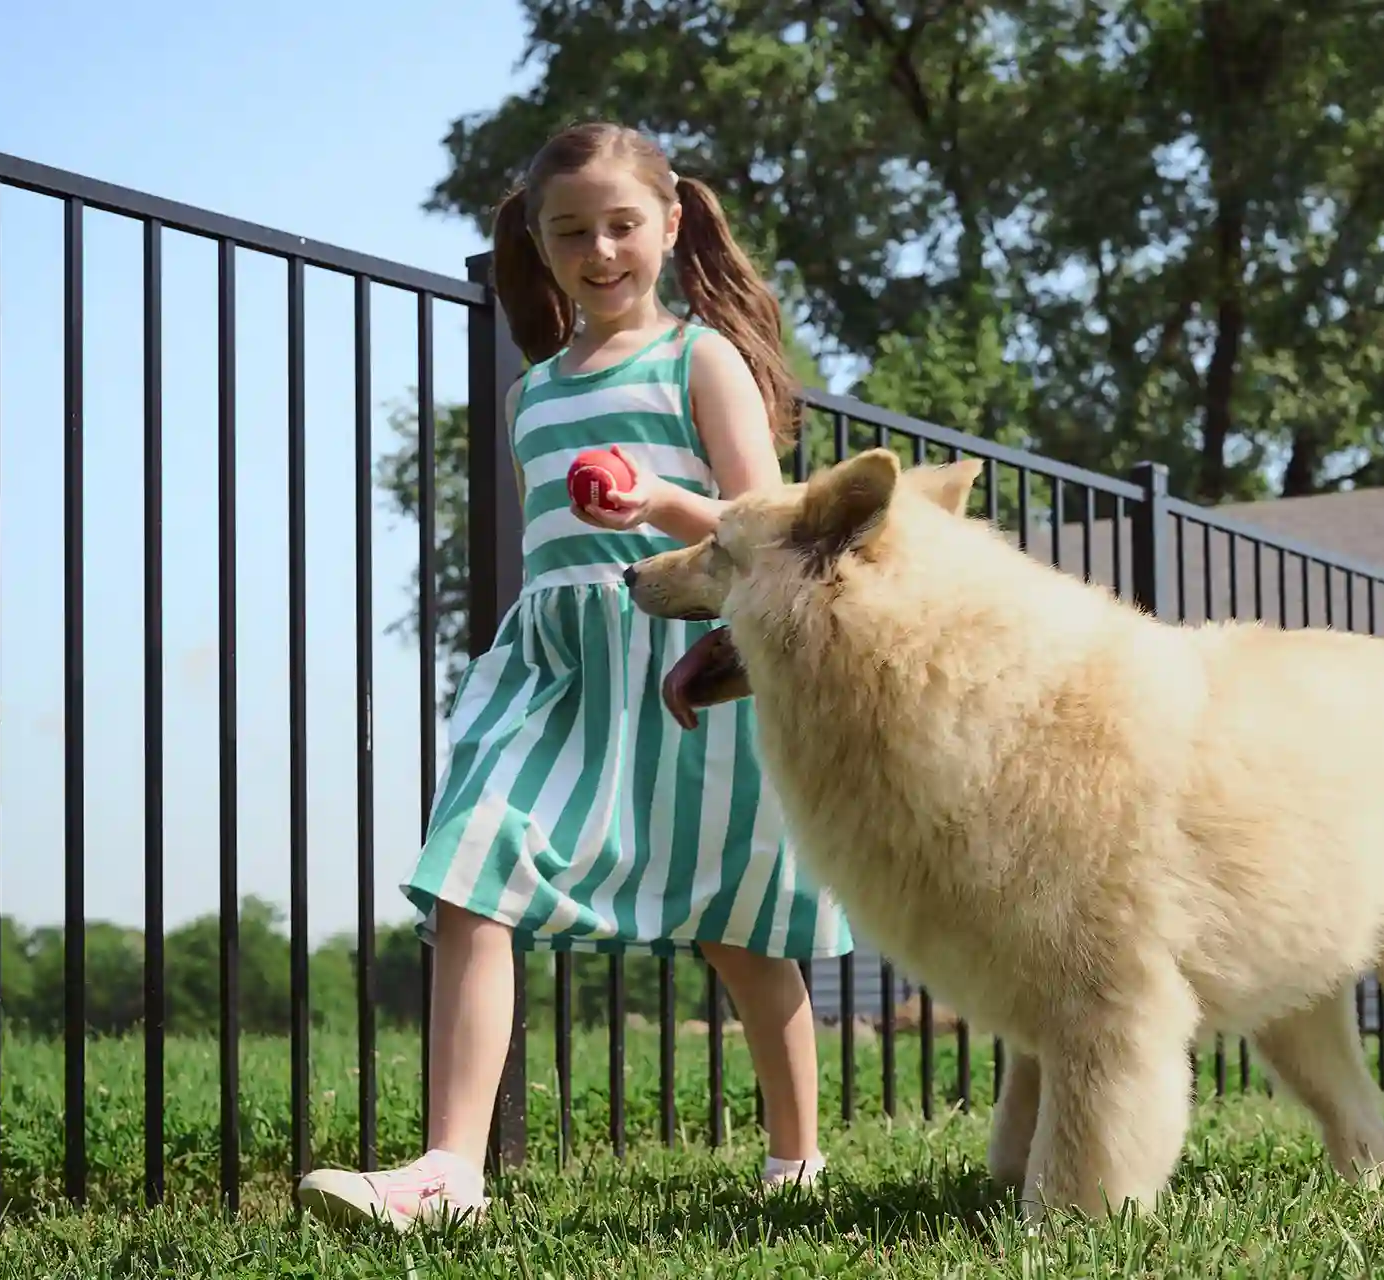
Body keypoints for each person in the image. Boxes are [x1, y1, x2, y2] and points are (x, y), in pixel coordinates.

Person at [297, 120, 852, 1230]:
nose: (601, 251)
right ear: (540, 246)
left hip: (685, 658)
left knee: (738, 921)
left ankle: (799, 1158)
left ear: (671, 224)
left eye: (621, 225)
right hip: (557, 662)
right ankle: (451, 1167)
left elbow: (768, 527)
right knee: (472, 869)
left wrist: (659, 501)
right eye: (572, 233)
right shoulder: (531, 391)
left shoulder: (701, 358)